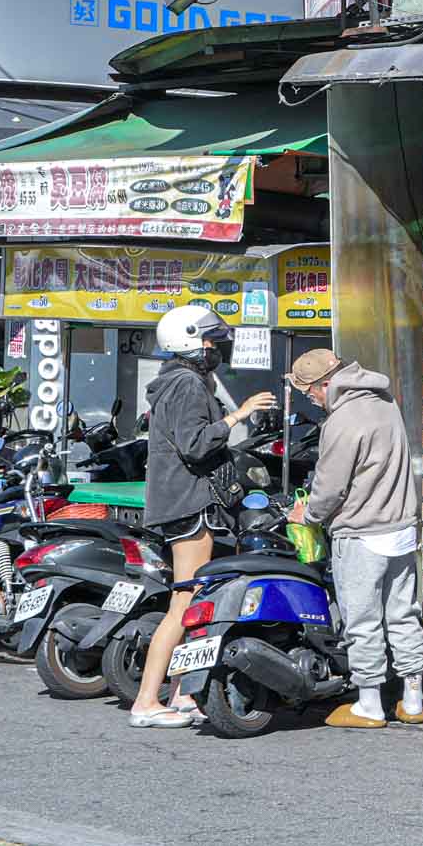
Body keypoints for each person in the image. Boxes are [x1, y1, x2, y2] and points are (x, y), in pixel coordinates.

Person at [129, 305, 276, 729]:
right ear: (191, 343)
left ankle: (181, 695)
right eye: (211, 341)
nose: (216, 348)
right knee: (185, 601)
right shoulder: (187, 384)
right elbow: (195, 444)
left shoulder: (178, 381)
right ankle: (146, 701)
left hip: (183, 501)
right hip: (190, 504)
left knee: (195, 602)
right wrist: (237, 415)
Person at [284, 347, 423, 729]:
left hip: (363, 532)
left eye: (308, 392)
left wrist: (307, 515)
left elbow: (329, 487)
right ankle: (414, 700)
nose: (311, 400)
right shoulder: (385, 401)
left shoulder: (342, 420)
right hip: (401, 528)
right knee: (403, 614)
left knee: (363, 621)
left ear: (325, 384)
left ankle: (369, 704)